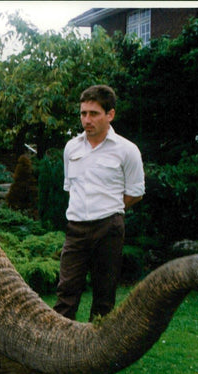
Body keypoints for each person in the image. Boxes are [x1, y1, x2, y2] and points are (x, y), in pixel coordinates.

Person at [53, 84, 145, 321]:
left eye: (94, 114)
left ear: (110, 114)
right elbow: (70, 188)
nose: (87, 120)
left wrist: (109, 210)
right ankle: (59, 349)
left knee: (104, 296)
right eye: (83, 113)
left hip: (108, 229)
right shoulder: (71, 147)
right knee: (66, 293)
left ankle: (98, 353)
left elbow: (135, 193)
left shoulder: (127, 150)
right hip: (75, 229)